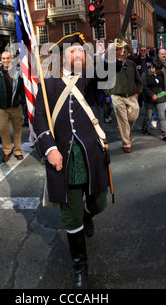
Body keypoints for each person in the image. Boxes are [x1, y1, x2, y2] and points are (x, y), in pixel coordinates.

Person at [34, 33, 112, 289]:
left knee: (99, 203)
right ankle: (80, 267)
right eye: (73, 52)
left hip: (91, 155)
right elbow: (40, 121)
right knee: (71, 217)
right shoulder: (48, 84)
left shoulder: (91, 78)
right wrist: (49, 149)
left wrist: (114, 55)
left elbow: (107, 75)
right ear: (61, 57)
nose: (78, 55)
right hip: (63, 157)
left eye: (82, 52)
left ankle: (88, 214)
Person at [0, 51, 26, 162]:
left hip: (16, 105)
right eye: (4, 58)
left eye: (8, 58)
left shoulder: (18, 71)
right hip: (3, 107)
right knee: (2, 128)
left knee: (17, 128)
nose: (6, 60)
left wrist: (24, 101)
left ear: (11, 59)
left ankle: (18, 150)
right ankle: (7, 150)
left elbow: (23, 88)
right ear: (1, 59)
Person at [109, 38, 143, 153]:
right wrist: (108, 93)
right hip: (116, 94)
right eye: (116, 49)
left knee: (134, 114)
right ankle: (126, 143)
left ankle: (126, 132)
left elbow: (138, 80)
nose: (119, 52)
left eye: (120, 49)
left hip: (131, 95)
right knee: (122, 119)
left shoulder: (131, 64)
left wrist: (138, 92)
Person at [141, 58, 166, 142]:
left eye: (159, 70)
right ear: (152, 66)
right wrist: (151, 95)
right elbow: (144, 87)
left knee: (162, 116)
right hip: (149, 99)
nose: (157, 71)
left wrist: (163, 97)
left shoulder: (160, 74)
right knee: (148, 116)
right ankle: (144, 128)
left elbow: (163, 87)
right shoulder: (145, 74)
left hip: (159, 98)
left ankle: (165, 134)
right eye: (156, 69)